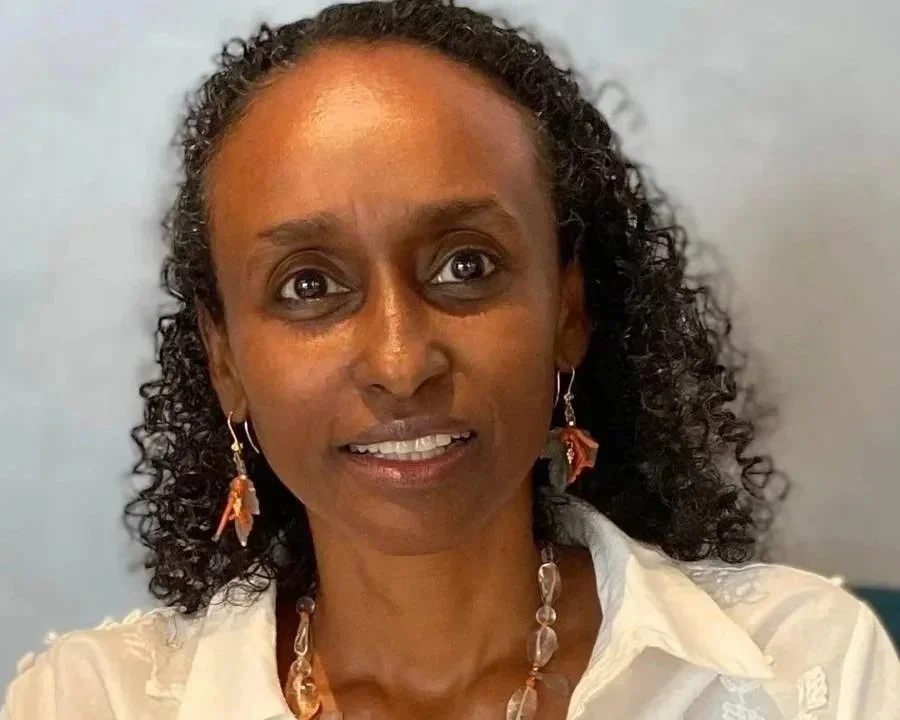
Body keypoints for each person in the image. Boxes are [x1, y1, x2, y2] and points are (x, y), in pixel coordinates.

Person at [3, 1, 898, 718]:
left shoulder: (805, 676)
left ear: (568, 315)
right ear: (225, 358)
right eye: (309, 286)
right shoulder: (87, 703)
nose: (400, 361)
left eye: (466, 266)